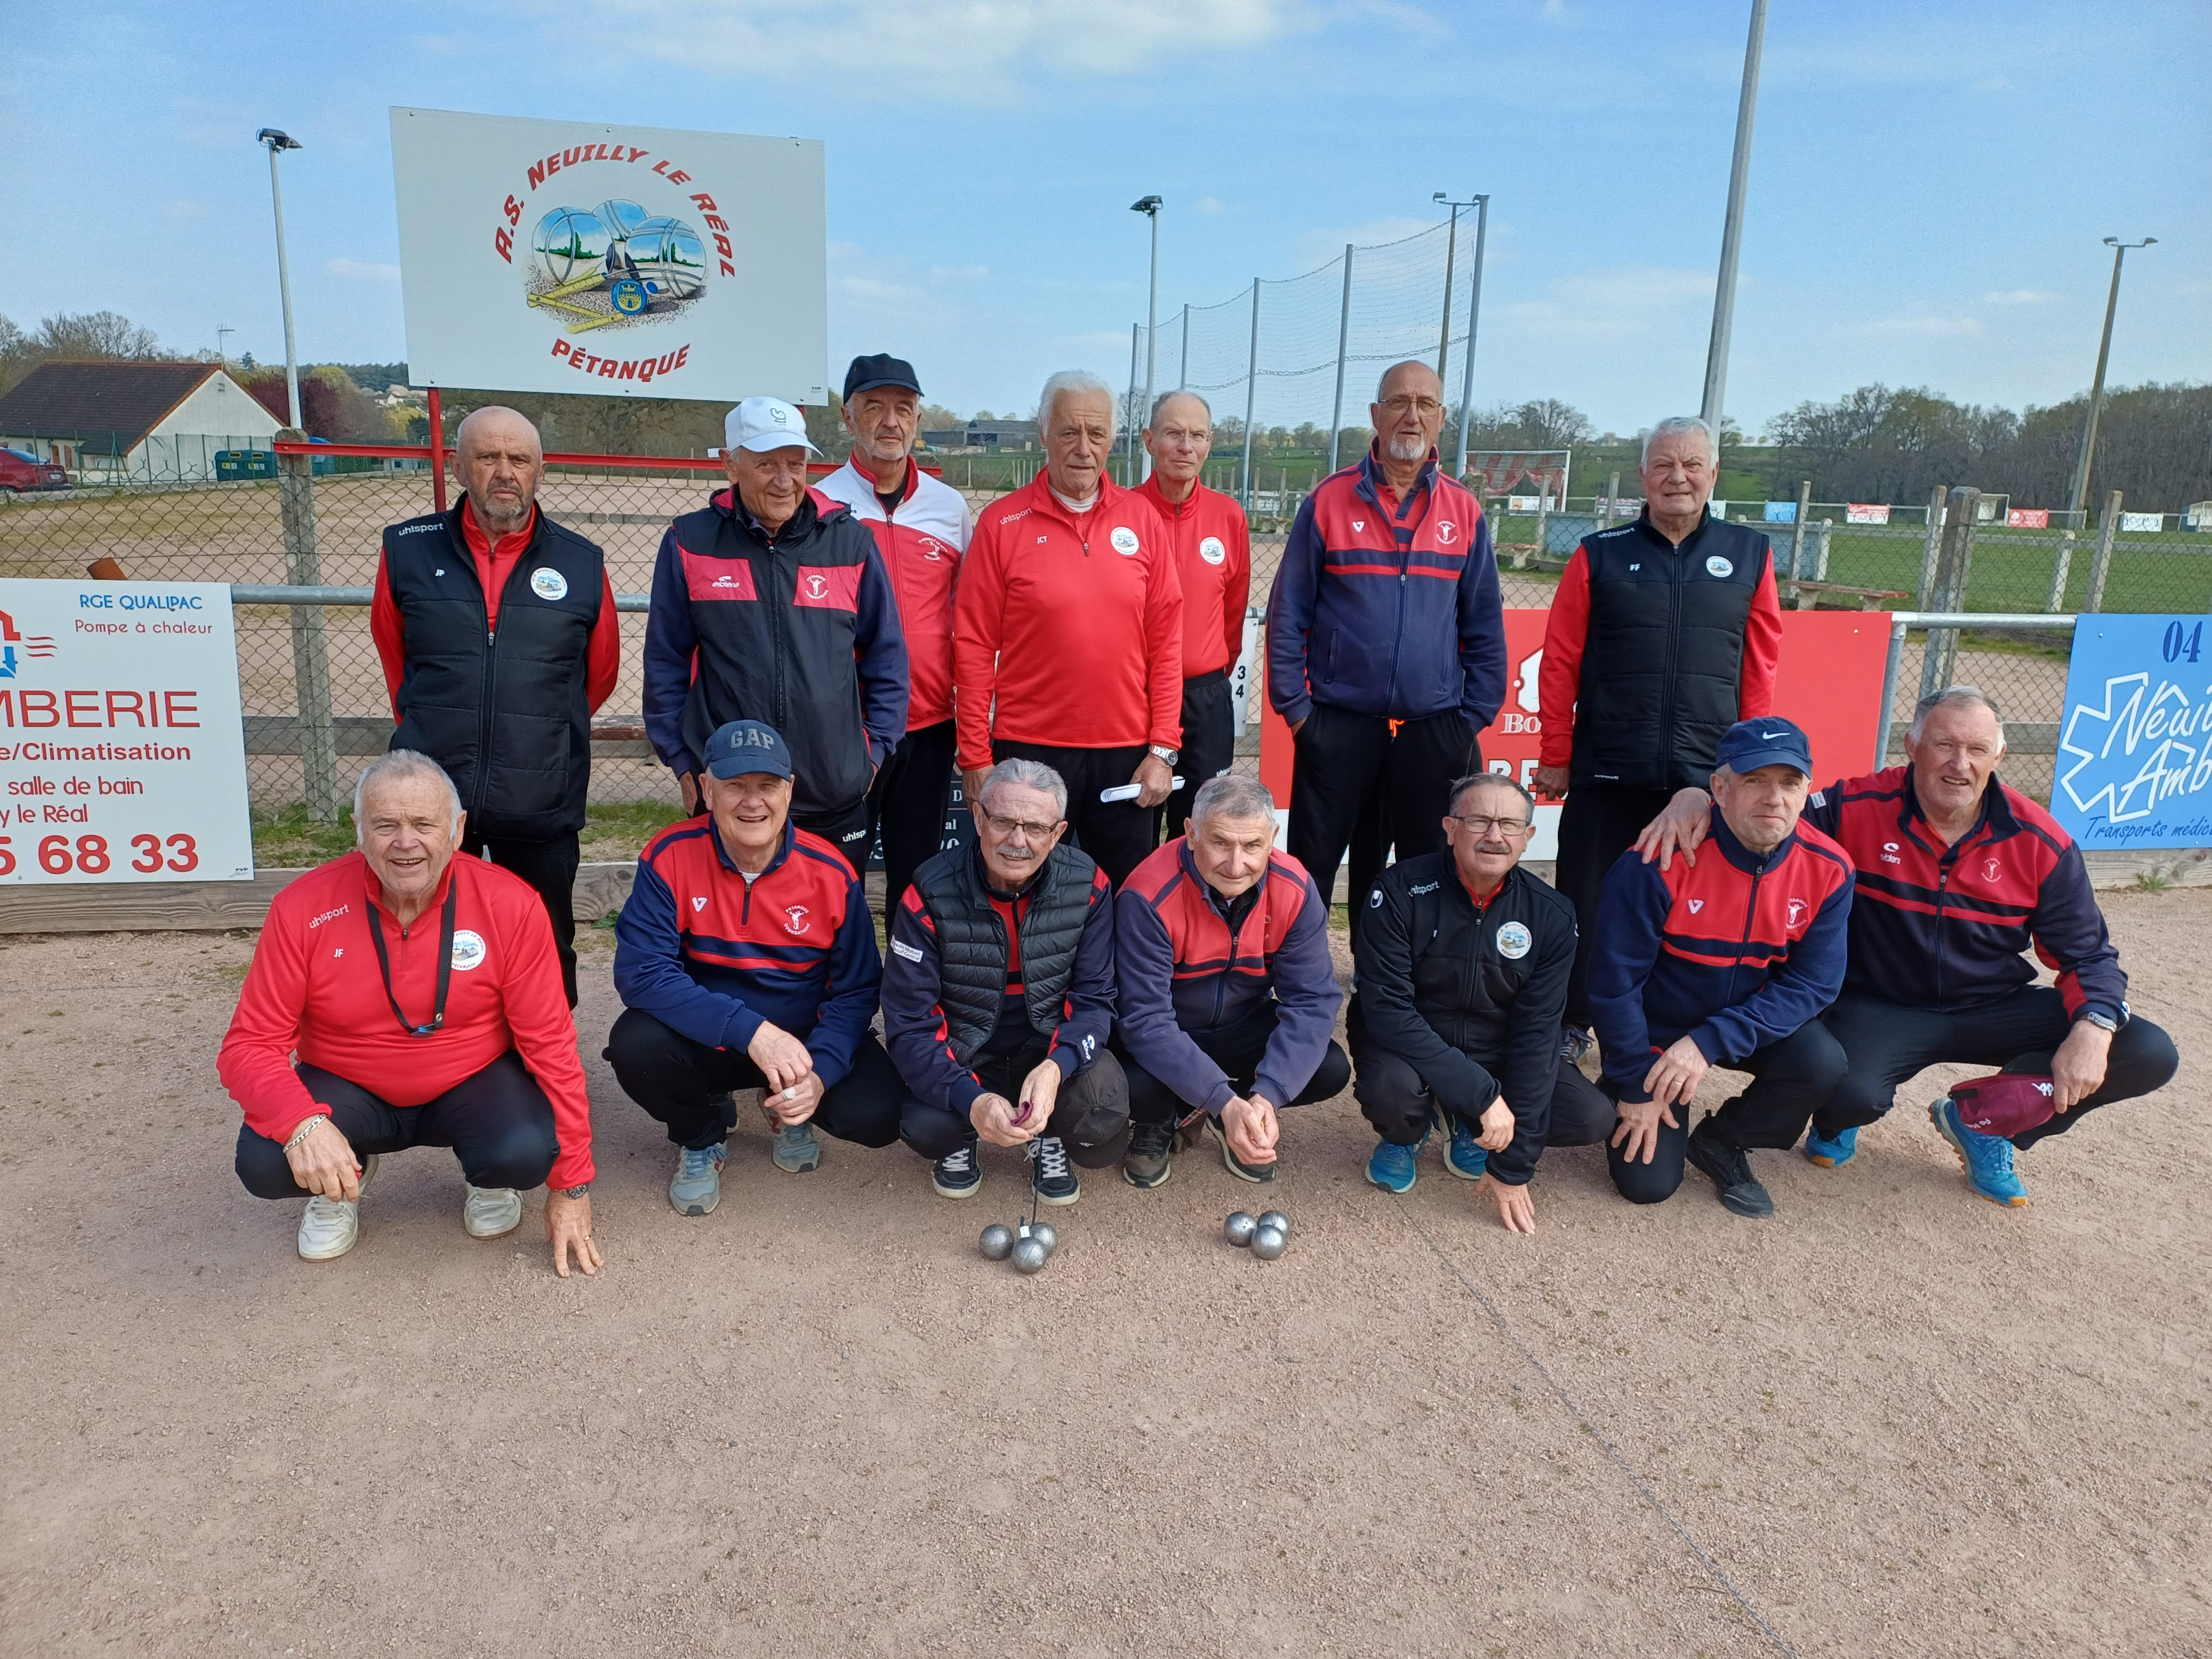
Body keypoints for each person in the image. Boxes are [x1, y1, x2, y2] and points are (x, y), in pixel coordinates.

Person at [1634, 686, 2180, 1208]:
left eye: (1976, 750)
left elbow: (2087, 954)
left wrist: (2092, 1028)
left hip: (1992, 1003)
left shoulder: (2039, 841)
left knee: (2143, 1051)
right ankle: (1827, 1121)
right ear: (1913, 746)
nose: (1958, 764)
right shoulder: (1854, 807)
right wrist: (1693, 798)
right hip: (1880, 1005)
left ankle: (1984, 1121)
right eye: (1944, 745)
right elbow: (1767, 810)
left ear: (1999, 756)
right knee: (1846, 1090)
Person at [220, 750, 599, 1276]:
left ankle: (488, 1178)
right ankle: (340, 1179)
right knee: (266, 1162)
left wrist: (572, 1185)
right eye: (385, 825)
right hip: (347, 1083)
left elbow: (551, 1045)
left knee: (527, 1150)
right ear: (358, 831)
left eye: (424, 824)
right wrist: (304, 1125)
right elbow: (249, 1046)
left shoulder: (511, 904)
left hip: (471, 1077)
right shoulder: (302, 907)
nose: (406, 842)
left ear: (458, 829)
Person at [1533, 414, 1783, 1059]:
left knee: (1688, 906)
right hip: (1607, 770)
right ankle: (1571, 1022)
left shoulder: (1751, 553)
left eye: (1692, 465)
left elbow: (1759, 666)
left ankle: (1661, 1025)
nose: (1678, 477)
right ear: (1643, 476)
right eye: (1664, 465)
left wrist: (1747, 768)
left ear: (1713, 474)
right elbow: (1559, 661)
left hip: (1705, 779)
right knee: (1586, 903)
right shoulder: (1601, 553)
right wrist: (1556, 756)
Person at [371, 405, 620, 1007]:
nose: (503, 472)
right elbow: (395, 657)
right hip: (432, 796)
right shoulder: (405, 549)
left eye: (518, 459)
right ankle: (436, 1056)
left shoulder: (581, 563)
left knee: (543, 940)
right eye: (487, 457)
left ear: (539, 471)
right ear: (459, 467)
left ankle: (547, 1072)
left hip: (539, 795)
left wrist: (533, 733)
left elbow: (599, 676)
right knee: (426, 936)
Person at [606, 719, 904, 1217]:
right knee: (636, 1045)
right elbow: (642, 974)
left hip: (800, 1043)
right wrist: (754, 1033)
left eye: (767, 786)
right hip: (713, 1036)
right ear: (706, 788)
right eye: (734, 787)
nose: (752, 802)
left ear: (790, 791)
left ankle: (787, 1101)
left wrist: (821, 1074)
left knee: (880, 1116)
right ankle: (701, 1135)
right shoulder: (668, 856)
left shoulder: (831, 872)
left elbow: (856, 990)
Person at [1266, 360, 1503, 927]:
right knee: (1313, 864)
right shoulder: (1326, 502)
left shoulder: (1463, 511)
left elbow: (1484, 626)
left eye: (1425, 404)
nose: (1412, 415)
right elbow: (1287, 614)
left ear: (1442, 418)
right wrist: (1299, 713)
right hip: (1337, 722)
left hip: (1433, 728)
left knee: (1424, 868)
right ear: (1375, 415)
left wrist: (1470, 717)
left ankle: (1394, 984)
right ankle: (1300, 983)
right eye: (1398, 402)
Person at [1590, 717, 1853, 1218]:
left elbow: (1813, 985)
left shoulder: (1830, 868)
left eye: (1789, 783)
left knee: (1822, 1063)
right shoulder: (1658, 860)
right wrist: (1634, 1074)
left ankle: (1722, 1139)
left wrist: (1711, 1041)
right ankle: (1626, 1084)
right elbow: (1614, 983)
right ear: (1719, 788)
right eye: (1755, 780)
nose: (1773, 798)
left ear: (1806, 791)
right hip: (1660, 1033)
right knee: (1647, 1186)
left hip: (1745, 1025)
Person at [643, 395, 910, 866]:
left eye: (796, 462)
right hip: (733, 791)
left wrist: (869, 755)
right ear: (731, 465)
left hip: (832, 788)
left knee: (832, 931)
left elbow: (887, 660)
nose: (786, 480)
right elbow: (665, 662)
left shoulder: (851, 543)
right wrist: (683, 763)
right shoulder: (689, 542)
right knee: (730, 930)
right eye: (767, 464)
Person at [1349, 773, 1609, 1232]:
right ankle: (1407, 1134)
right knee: (1392, 1092)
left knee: (1590, 1117)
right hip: (1409, 1046)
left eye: (1510, 825)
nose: (1495, 836)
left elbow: (1537, 1034)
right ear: (1450, 828)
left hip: (1495, 1051)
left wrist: (1513, 1164)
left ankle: (1468, 1122)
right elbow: (1388, 1011)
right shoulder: (1396, 891)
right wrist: (1482, 1092)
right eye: (1479, 821)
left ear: (1528, 837)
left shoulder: (1552, 913)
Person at [954, 371, 1182, 888]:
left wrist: (1163, 750)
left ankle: (1116, 975)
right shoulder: (1001, 524)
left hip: (1125, 755)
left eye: (1097, 434)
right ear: (1044, 435)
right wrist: (974, 754)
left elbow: (1167, 645)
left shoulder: (1142, 520)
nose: (1083, 448)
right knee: (1019, 887)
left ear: (1113, 440)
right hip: (1028, 749)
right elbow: (971, 645)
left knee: (1126, 893)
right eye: (1069, 433)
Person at [883, 758, 1129, 1206]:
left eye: (1036, 828)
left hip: (1044, 1046)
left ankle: (1046, 1132)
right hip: (968, 1049)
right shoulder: (927, 892)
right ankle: (968, 1132)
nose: (1018, 841)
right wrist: (970, 1098)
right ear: (978, 818)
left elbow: (1095, 1000)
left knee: (1100, 1118)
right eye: (1003, 822)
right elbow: (908, 1023)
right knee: (925, 1125)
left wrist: (1059, 1067)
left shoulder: (1090, 885)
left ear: (1057, 834)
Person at [1114, 774, 1347, 1188]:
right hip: (1168, 1032)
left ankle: (1238, 1112)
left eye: (1254, 845)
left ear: (1273, 837)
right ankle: (1164, 1117)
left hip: (1242, 1023)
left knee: (1328, 1068)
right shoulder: (1147, 894)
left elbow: (1311, 1001)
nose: (1237, 865)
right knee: (1125, 1087)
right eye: (1220, 842)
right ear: (1189, 833)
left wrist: (1267, 1097)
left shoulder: (1294, 888)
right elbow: (1146, 1020)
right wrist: (1221, 1098)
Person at [815, 353, 973, 919]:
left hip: (929, 726)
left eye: (903, 409)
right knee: (836, 873)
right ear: (847, 416)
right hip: (845, 728)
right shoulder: (821, 506)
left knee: (918, 875)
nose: (890, 422)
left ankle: (909, 1000)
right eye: (874, 408)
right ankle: (838, 998)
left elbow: (971, 619)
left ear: (917, 420)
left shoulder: (949, 508)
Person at [1136, 390, 1251, 839]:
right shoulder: (1125, 513)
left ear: (1210, 442)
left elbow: (1233, 613)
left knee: (1206, 830)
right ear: (1149, 440)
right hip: (1138, 697)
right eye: (1174, 434)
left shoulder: (1229, 516)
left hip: (1206, 699)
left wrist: (1207, 670)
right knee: (1135, 830)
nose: (1186, 447)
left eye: (1197, 435)